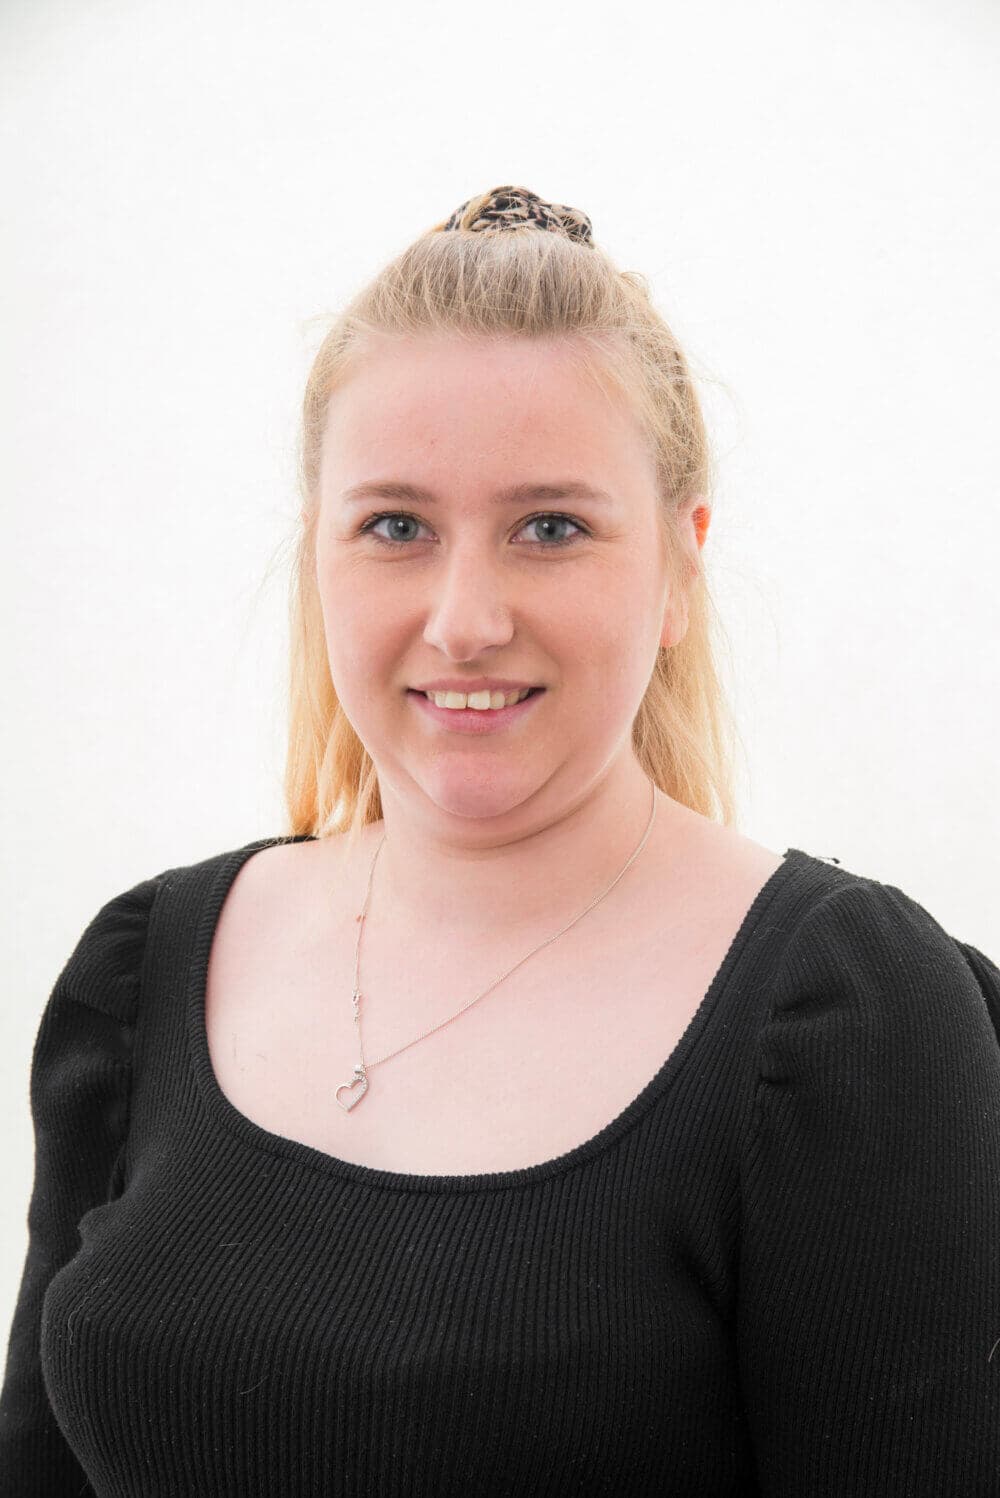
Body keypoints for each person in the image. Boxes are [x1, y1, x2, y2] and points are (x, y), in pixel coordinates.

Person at [1, 185, 997, 1497]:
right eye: (397, 526)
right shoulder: (140, 973)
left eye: (551, 527)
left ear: (683, 566)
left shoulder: (849, 1022)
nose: (465, 618)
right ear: (321, 554)